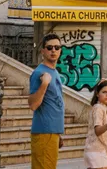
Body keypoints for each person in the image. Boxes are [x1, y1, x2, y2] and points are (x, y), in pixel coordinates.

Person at [28, 34, 65, 169]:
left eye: (57, 47)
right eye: (49, 47)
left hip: (52, 132)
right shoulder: (39, 73)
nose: (53, 50)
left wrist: (58, 132)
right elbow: (33, 104)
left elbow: (54, 103)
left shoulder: (53, 71)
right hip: (44, 132)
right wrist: (44, 85)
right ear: (42, 51)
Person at [84, 80, 107, 169]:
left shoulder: (102, 107)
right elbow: (97, 131)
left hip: (98, 151)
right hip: (97, 152)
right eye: (104, 92)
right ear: (97, 94)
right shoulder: (98, 108)